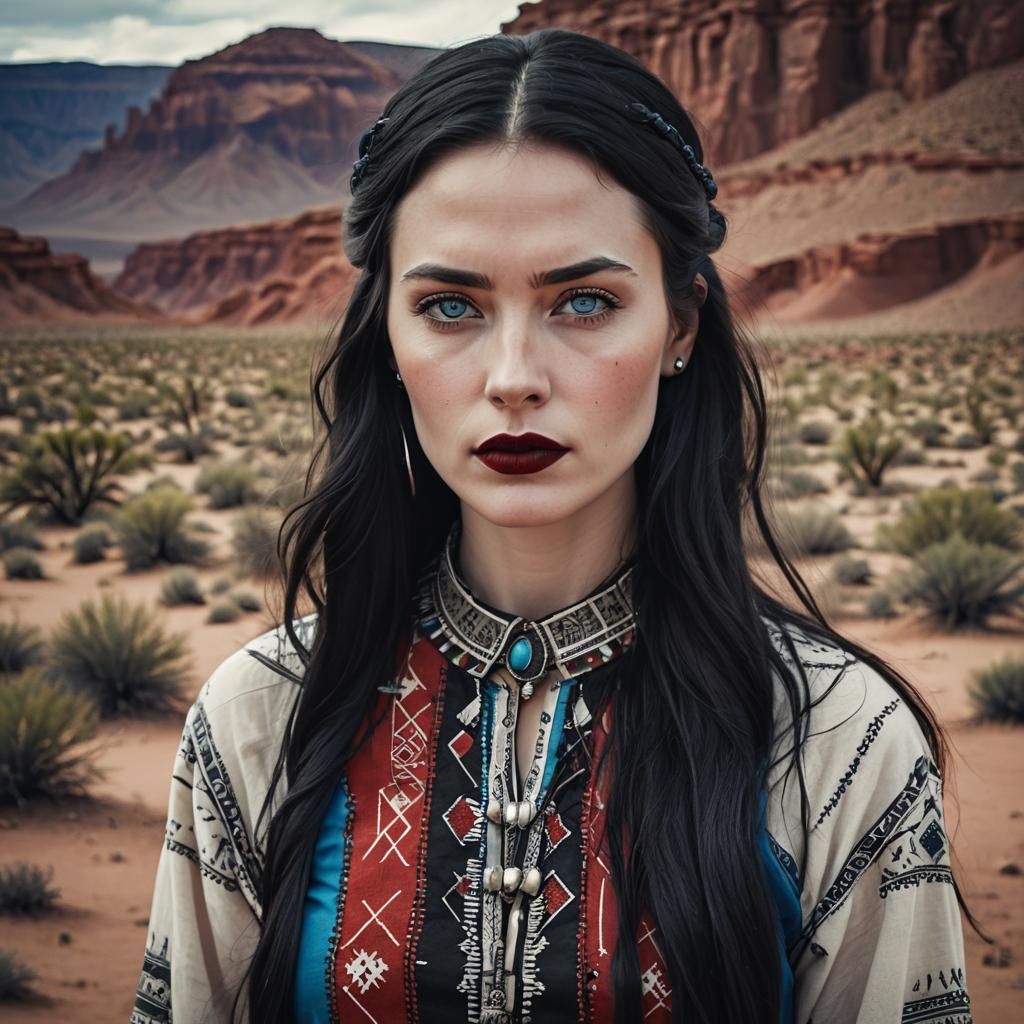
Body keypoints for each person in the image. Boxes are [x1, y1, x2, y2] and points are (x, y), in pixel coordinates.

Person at [131, 27, 980, 1024]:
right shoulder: (260, 719)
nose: (514, 378)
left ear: (681, 324)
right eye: (450, 306)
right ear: (388, 338)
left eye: (582, 300)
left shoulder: (836, 741)